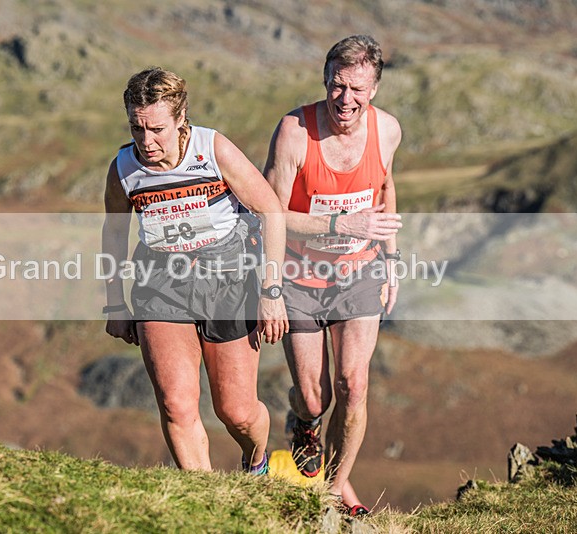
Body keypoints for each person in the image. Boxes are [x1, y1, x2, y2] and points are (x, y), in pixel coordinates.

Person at [102, 68, 289, 473]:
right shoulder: (123, 168)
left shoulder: (212, 148)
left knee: (236, 411)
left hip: (229, 280)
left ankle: (256, 461)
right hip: (160, 284)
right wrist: (115, 301)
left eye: (156, 129)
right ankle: (203, 499)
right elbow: (114, 231)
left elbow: (270, 209)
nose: (146, 142)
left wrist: (273, 291)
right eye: (137, 129)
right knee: (176, 404)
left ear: (180, 117)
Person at [264, 35, 402, 515]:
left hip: (358, 273)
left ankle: (334, 492)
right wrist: (342, 223)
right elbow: (269, 213)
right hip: (299, 276)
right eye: (337, 86)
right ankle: (302, 421)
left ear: (375, 89)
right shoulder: (294, 132)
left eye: (358, 89)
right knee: (314, 394)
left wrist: (390, 260)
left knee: (353, 383)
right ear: (325, 80)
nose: (346, 100)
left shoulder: (387, 131)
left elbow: (384, 186)